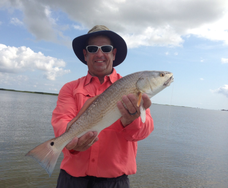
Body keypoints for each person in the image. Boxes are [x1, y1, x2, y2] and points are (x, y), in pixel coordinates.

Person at [51, 25, 154, 188]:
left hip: (115, 182)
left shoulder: (131, 86)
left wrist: (131, 120)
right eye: (93, 49)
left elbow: (143, 131)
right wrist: (72, 141)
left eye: (106, 48)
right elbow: (61, 122)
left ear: (113, 53)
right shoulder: (70, 88)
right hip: (71, 180)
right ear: (86, 54)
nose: (99, 54)